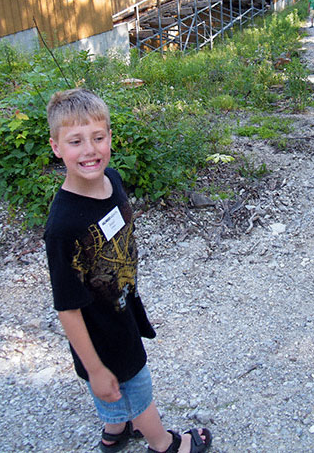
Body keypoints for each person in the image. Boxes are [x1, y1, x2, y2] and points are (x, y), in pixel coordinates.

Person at [44, 89, 212, 453]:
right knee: (134, 384)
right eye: (75, 141)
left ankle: (115, 429)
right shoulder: (62, 227)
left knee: (114, 386)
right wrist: (95, 368)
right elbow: (68, 309)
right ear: (57, 147)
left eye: (98, 137)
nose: (90, 150)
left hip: (121, 302)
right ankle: (164, 443)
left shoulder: (112, 180)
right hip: (100, 327)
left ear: (109, 137)